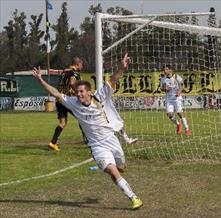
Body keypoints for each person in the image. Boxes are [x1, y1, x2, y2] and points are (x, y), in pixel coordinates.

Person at [32, 53, 143, 209]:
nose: (78, 94)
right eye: (77, 92)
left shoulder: (99, 96)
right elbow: (56, 93)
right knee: (112, 171)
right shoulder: (73, 103)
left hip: (111, 140)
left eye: (81, 92)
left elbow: (113, 79)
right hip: (97, 146)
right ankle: (134, 198)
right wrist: (40, 80)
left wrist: (121, 67)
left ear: (89, 92)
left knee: (120, 168)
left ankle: (119, 174)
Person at [49, 57, 85, 151]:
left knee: (63, 123)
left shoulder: (64, 71)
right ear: (78, 64)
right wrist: (78, 93)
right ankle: (87, 139)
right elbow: (72, 83)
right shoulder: (73, 72)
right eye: (82, 65)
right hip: (69, 100)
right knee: (82, 117)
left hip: (60, 99)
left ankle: (53, 143)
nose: (82, 66)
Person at [160, 65, 191, 136]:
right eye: (164, 70)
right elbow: (161, 88)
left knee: (179, 113)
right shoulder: (163, 79)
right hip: (169, 98)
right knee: (169, 115)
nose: (165, 71)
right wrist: (165, 89)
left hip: (177, 98)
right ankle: (178, 124)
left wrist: (179, 92)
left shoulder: (176, 77)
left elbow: (182, 84)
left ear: (170, 70)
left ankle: (187, 129)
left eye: (166, 69)